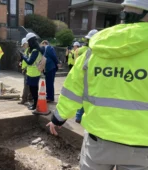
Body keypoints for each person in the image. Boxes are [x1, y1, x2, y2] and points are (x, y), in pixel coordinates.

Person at [47, 0, 148, 169]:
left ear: (123, 13)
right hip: (142, 146)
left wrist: (58, 118)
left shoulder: (94, 50)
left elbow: (72, 90)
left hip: (98, 141)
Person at [75, 29, 98, 123]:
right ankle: (80, 116)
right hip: (90, 78)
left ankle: (79, 116)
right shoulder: (91, 51)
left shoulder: (82, 50)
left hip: (83, 75)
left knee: (83, 98)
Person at [22, 33, 43, 110]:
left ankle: (35, 105)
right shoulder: (34, 50)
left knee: (34, 90)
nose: (27, 43)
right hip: (31, 73)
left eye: (28, 41)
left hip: (34, 73)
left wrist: (23, 56)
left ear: (30, 41)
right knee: (32, 89)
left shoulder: (35, 51)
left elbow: (30, 62)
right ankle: (35, 104)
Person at [18, 38, 32, 105]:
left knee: (26, 85)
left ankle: (24, 99)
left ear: (26, 43)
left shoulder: (29, 51)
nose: (23, 46)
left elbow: (28, 61)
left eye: (24, 45)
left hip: (28, 70)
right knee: (30, 85)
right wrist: (21, 63)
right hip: (27, 69)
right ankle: (30, 98)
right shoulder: (28, 50)